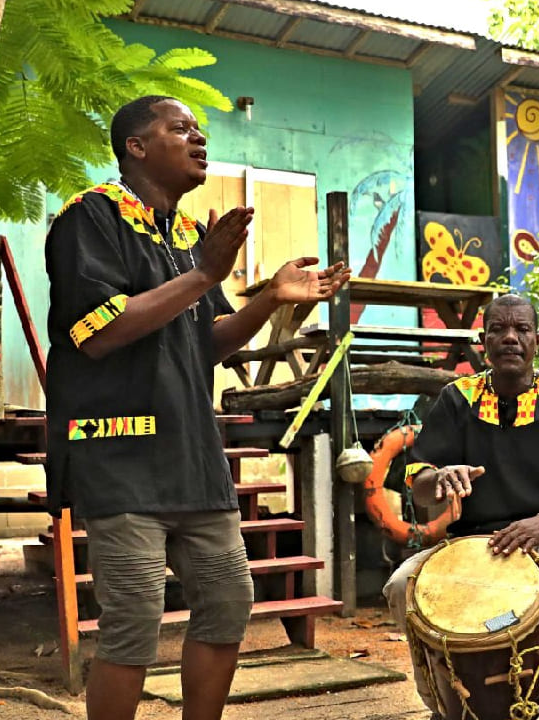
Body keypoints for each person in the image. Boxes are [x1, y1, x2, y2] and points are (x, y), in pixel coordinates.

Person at [45, 95, 349, 720]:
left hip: (192, 456)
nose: (198, 139)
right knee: (133, 616)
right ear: (136, 146)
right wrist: (207, 274)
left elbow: (210, 341)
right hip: (118, 454)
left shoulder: (188, 238)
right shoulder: (90, 218)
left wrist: (269, 299)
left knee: (228, 601)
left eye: (200, 130)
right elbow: (99, 331)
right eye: (180, 128)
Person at [381, 295, 539, 720]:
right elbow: (418, 484)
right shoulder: (457, 398)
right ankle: (445, 702)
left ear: (537, 340)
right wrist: (437, 480)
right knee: (403, 584)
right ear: (484, 340)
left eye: (521, 329)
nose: (509, 337)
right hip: (474, 542)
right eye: (498, 329)